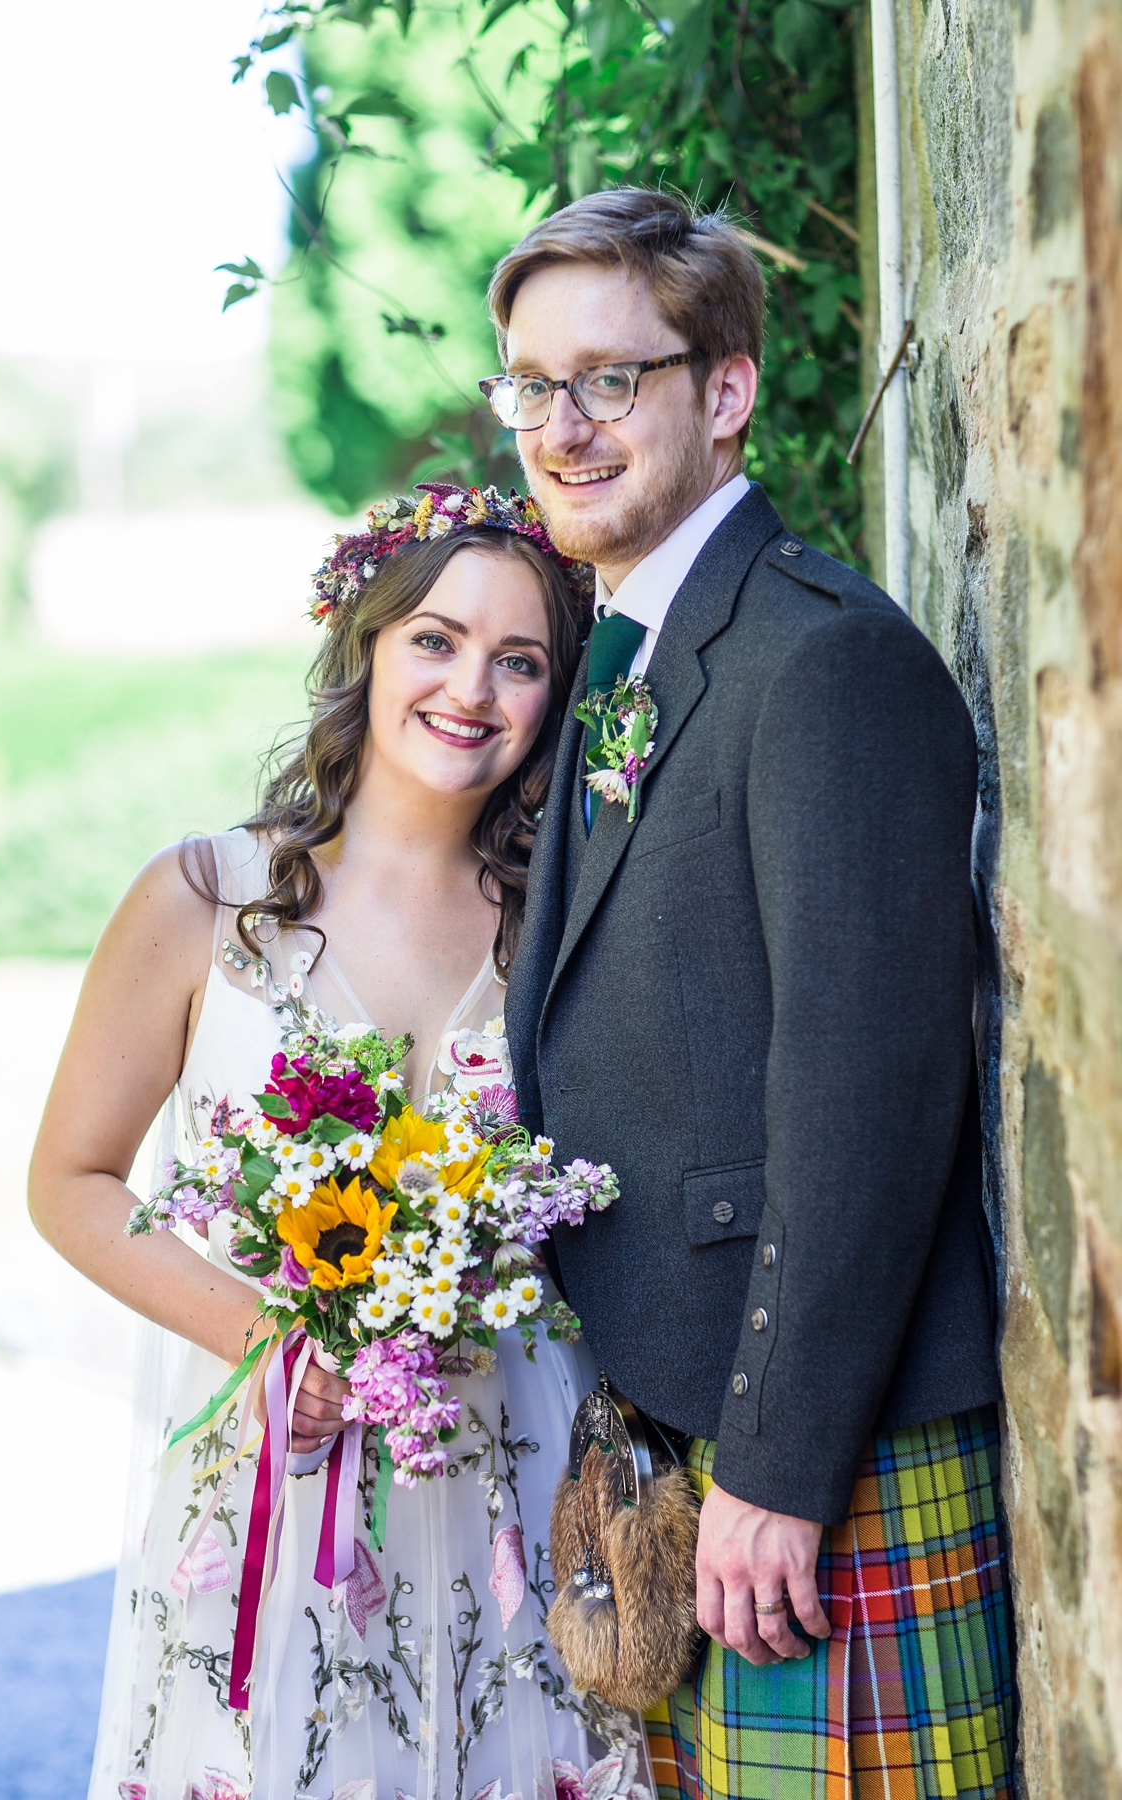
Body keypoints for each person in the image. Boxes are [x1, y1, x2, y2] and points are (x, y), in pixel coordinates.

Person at [492, 188, 1015, 1799]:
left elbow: (870, 1092)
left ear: (723, 395)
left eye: (609, 381)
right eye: (530, 386)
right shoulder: (638, 648)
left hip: (816, 1451)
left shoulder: (823, 658)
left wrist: (782, 1471)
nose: (561, 429)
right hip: (686, 1433)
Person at [29, 492, 645, 1800]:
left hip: (517, 1502)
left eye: (520, 660)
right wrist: (268, 1342)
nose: (470, 687)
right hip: (276, 1495)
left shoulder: (566, 927)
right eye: (435, 638)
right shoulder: (205, 899)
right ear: (365, 645)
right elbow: (69, 1182)